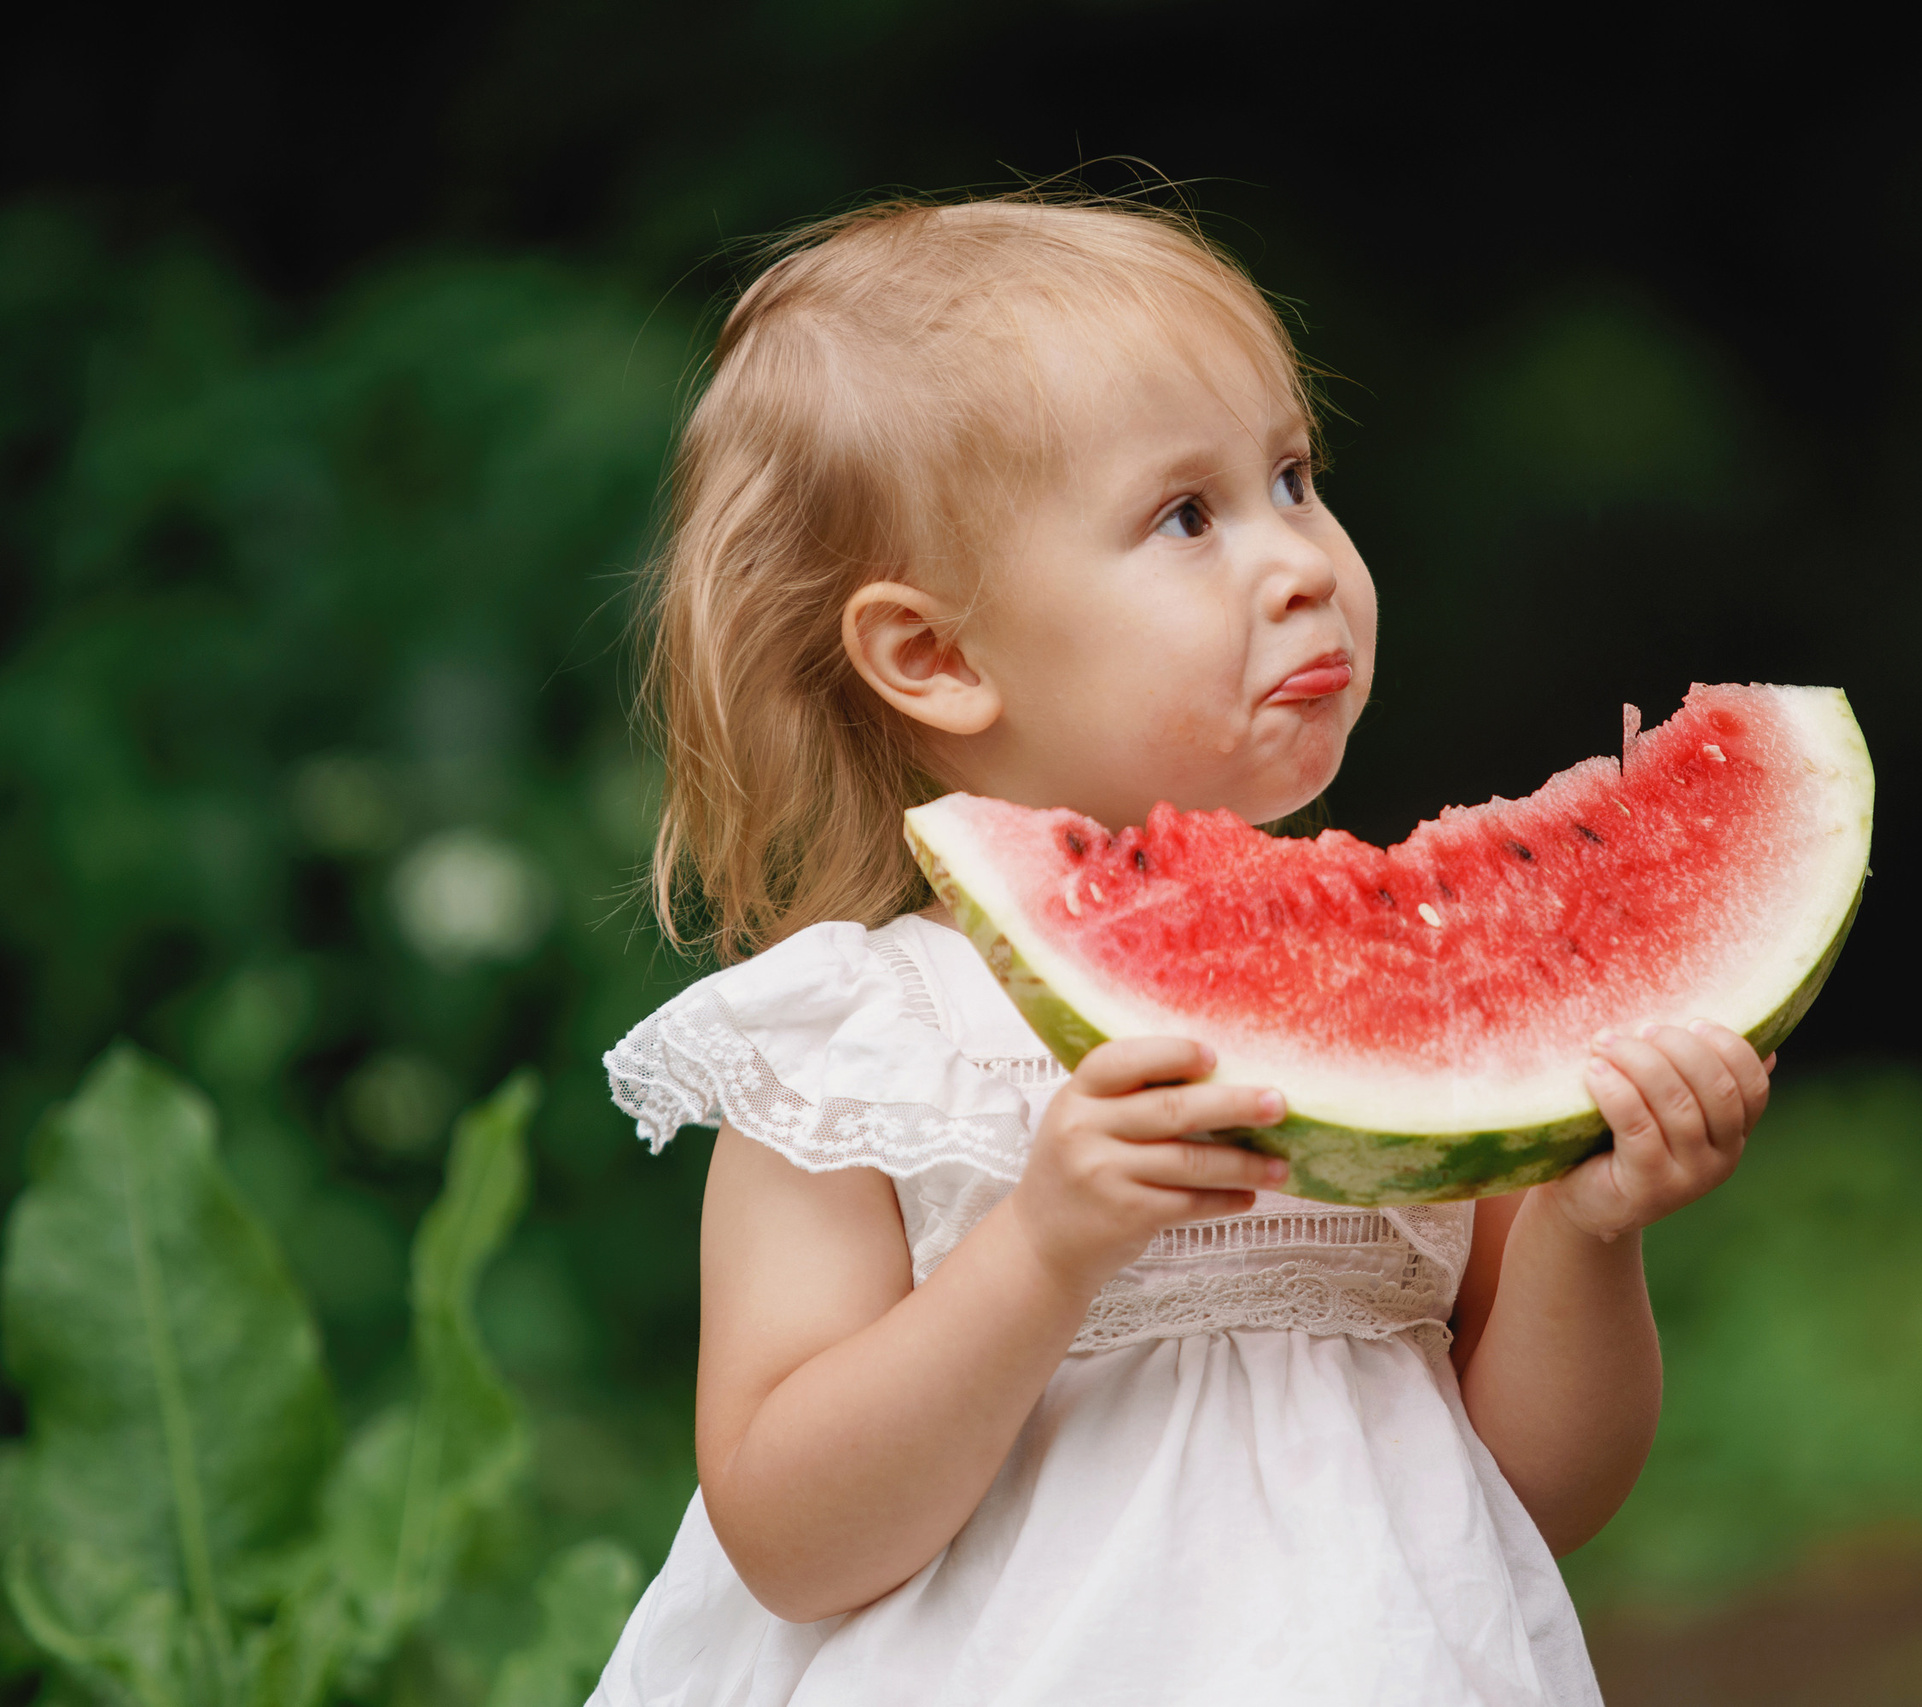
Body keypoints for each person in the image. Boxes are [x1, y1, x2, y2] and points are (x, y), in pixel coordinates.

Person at [592, 195, 1774, 1707]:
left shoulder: (1427, 989)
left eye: (1294, 478)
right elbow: (791, 1541)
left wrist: (1589, 1234)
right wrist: (1041, 1251)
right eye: (1187, 518)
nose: (1301, 564)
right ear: (935, 656)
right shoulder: (861, 1045)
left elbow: (1535, 1493)